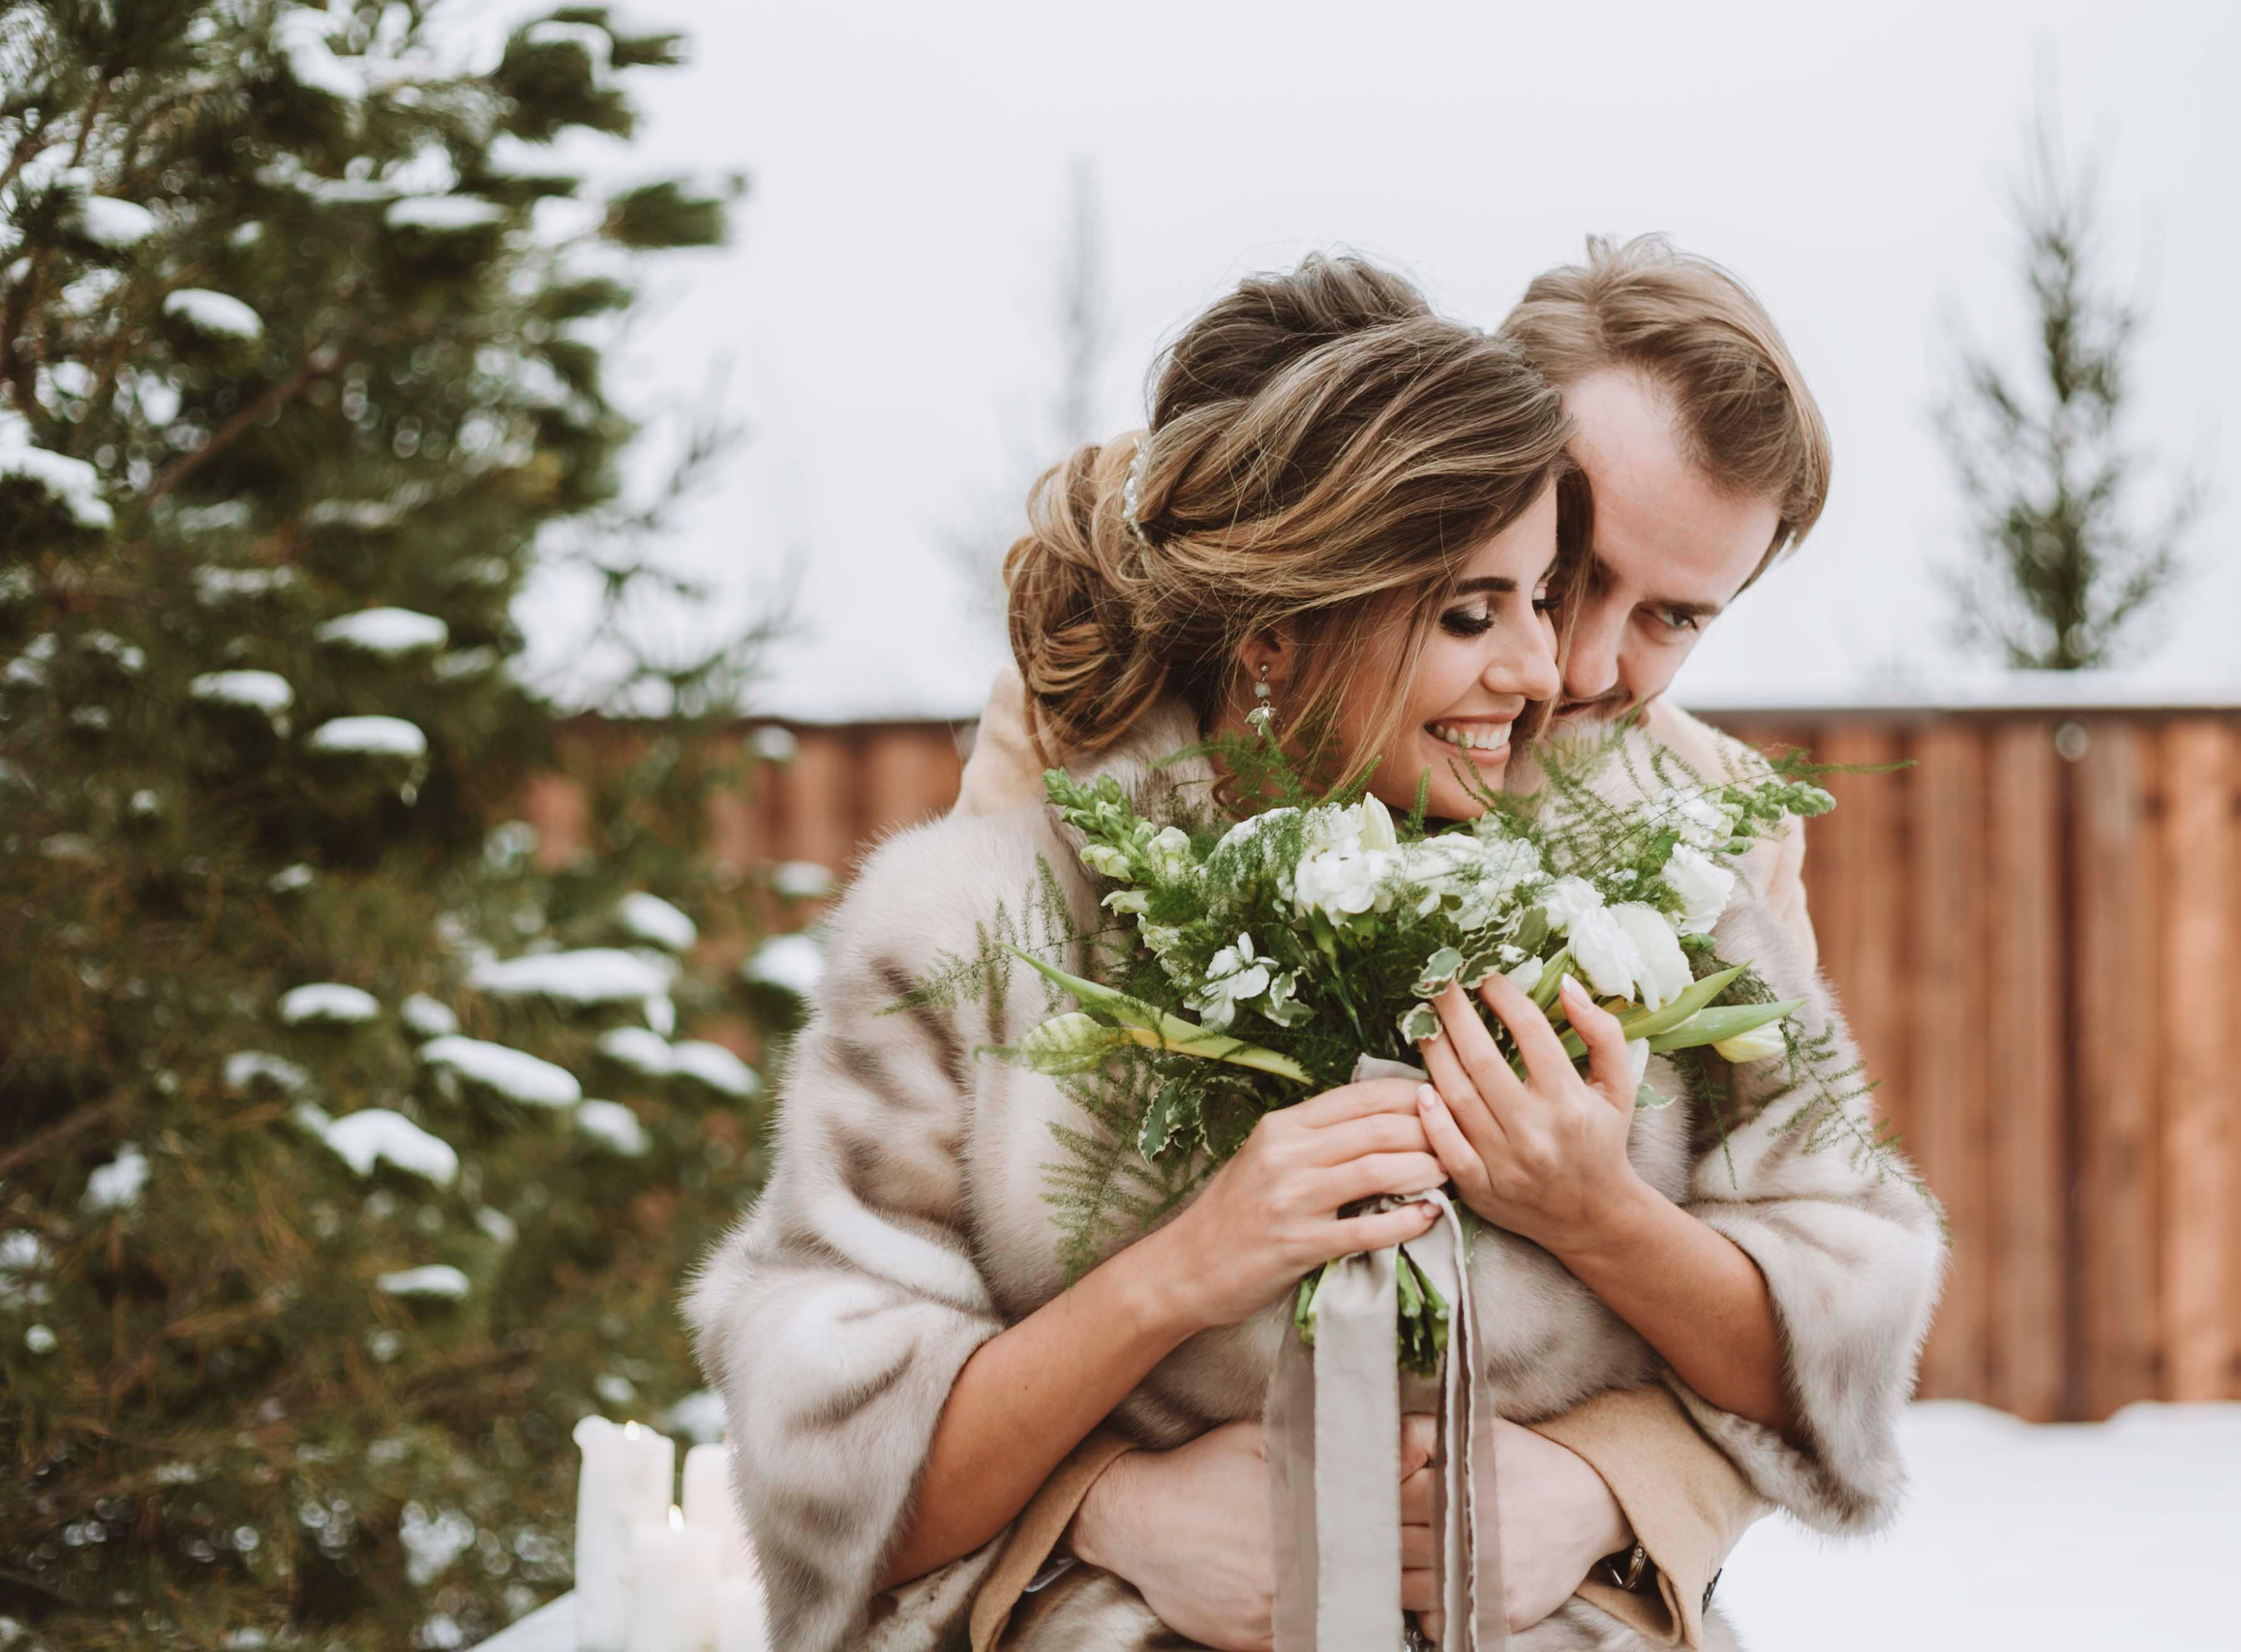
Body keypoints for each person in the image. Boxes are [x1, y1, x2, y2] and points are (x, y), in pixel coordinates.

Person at [689, 254, 1938, 1652]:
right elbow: (955, 1255)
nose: (1578, 667)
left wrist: (1611, 1486)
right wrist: (1103, 1505)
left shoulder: (1712, 844)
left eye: (1673, 619)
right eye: (1558, 577)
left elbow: (1808, 1330)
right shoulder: (1084, 777)